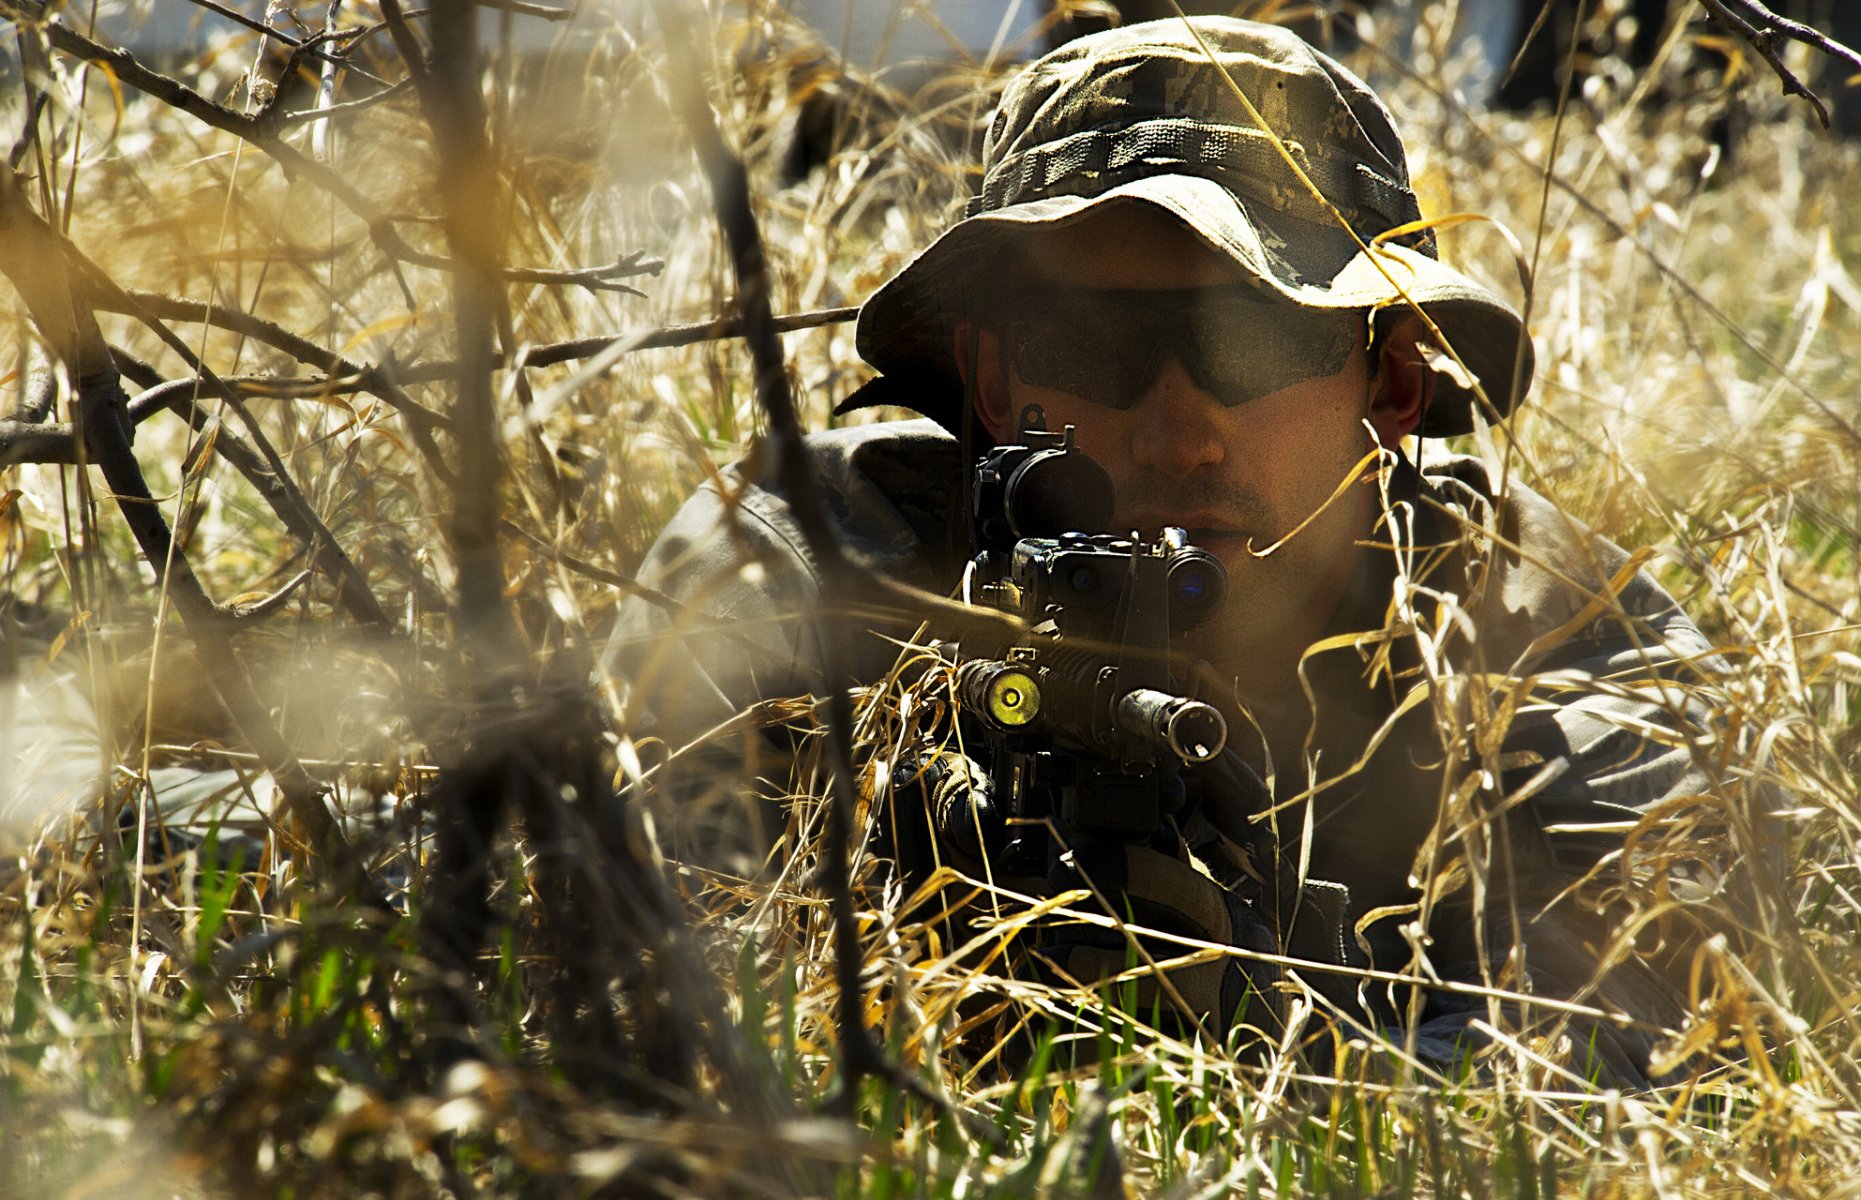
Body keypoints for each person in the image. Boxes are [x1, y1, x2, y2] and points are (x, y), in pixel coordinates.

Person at [606, 17, 1757, 1087]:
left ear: (1394, 382)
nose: (1179, 436)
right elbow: (647, 997)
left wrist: (1233, 1040)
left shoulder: (1535, 617)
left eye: (1250, 344)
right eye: (1097, 344)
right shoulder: (811, 566)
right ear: (996, 382)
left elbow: (1641, 1034)